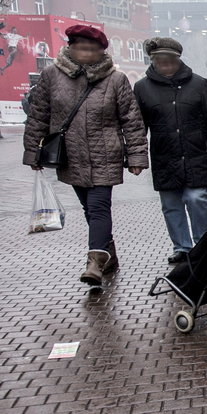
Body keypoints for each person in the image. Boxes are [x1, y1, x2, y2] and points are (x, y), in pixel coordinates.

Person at [22, 25, 148, 286]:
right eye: (82, 48)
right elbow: (38, 116)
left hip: (106, 153)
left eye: (93, 49)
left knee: (99, 207)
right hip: (70, 155)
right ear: (71, 47)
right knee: (88, 209)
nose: (87, 54)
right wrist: (33, 152)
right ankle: (108, 253)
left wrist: (136, 156)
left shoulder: (116, 79)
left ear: (102, 51)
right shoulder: (51, 75)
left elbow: (131, 120)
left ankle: (94, 263)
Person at [133, 37, 207, 264]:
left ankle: (202, 244)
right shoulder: (142, 88)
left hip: (197, 151)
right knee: (171, 204)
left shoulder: (198, 84)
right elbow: (138, 126)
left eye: (170, 61)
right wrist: (136, 156)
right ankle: (182, 247)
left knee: (197, 197)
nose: (166, 66)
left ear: (178, 60)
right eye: (161, 62)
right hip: (164, 154)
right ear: (154, 62)